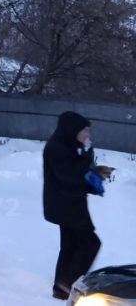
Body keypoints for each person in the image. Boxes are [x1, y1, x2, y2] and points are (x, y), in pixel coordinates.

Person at [43, 111, 115, 299]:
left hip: (68, 203)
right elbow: (70, 176)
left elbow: (74, 176)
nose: (87, 134)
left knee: (70, 245)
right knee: (91, 243)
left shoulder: (67, 146)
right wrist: (86, 155)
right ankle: (69, 284)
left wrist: (92, 183)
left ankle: (61, 288)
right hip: (67, 206)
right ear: (72, 129)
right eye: (84, 130)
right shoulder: (56, 148)